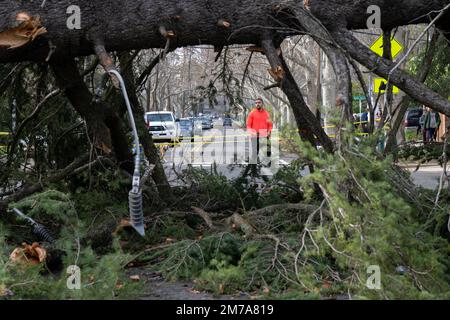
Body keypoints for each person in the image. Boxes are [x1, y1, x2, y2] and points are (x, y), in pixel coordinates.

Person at [246, 98, 273, 165]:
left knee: (268, 150)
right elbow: (248, 125)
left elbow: (270, 125)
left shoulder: (266, 114)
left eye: (259, 102)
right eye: (256, 103)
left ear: (262, 103)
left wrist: (269, 131)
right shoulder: (252, 113)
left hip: (264, 134)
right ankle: (254, 166)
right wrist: (252, 132)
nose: (257, 104)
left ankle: (268, 162)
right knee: (255, 151)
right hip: (254, 135)